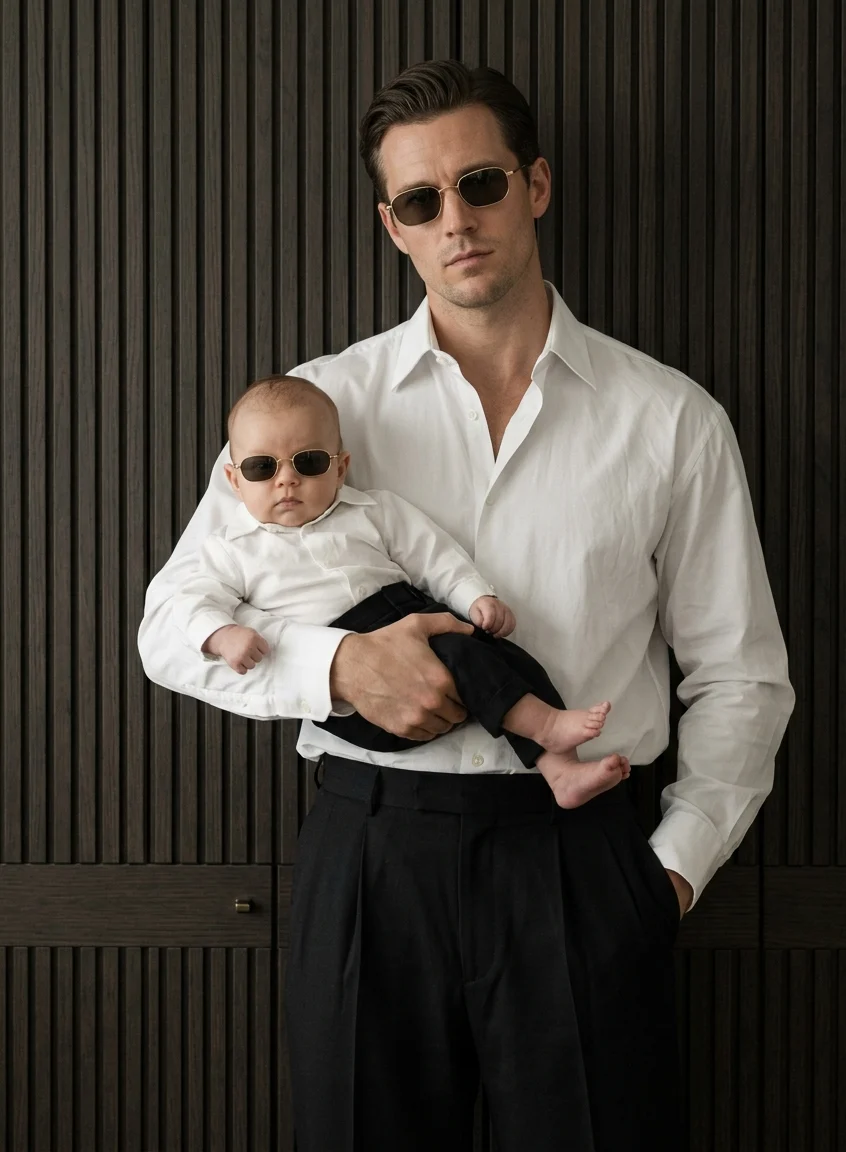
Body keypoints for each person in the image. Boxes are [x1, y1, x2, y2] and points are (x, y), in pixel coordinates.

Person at [138, 60, 795, 1151]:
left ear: (534, 185)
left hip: (580, 863)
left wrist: (670, 875)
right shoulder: (307, 414)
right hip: (371, 854)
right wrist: (335, 670)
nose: (456, 220)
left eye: (480, 183)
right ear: (392, 226)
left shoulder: (672, 421)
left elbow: (740, 676)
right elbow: (169, 627)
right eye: (420, 200)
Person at [173, 372, 631, 807]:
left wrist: (475, 596)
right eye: (261, 467)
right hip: (354, 701)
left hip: (409, 613)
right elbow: (190, 601)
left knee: (504, 656)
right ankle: (547, 726)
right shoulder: (229, 549)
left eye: (309, 462)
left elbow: (434, 556)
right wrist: (221, 634)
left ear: (340, 468)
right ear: (234, 480)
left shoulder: (373, 512)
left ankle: (560, 770)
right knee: (468, 657)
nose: (286, 479)